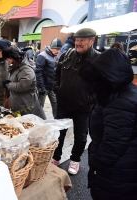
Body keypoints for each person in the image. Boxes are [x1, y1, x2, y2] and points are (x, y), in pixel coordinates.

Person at [78, 48, 137, 199]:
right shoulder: (119, 91)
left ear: (109, 76)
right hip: (121, 168)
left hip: (116, 173)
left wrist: (95, 162)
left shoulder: (121, 102)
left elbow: (113, 146)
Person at [52, 28, 100, 175]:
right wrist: (57, 89)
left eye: (82, 40)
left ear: (91, 40)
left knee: (81, 136)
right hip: (64, 103)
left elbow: (102, 86)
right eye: (77, 40)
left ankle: (75, 159)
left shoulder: (98, 60)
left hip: (83, 107)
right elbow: (57, 74)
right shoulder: (67, 54)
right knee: (59, 132)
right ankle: (56, 157)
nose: (78, 43)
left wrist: (89, 100)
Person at [2, 46, 46, 119]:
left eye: (9, 58)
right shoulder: (17, 65)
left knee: (29, 124)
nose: (8, 60)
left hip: (26, 103)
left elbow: (23, 86)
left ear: (15, 57)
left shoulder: (26, 69)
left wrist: (8, 84)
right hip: (21, 102)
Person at [35, 38, 62, 117]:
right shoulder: (42, 56)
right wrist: (41, 87)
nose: (58, 51)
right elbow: (38, 72)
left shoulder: (55, 57)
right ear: (51, 48)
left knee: (56, 104)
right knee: (40, 107)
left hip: (52, 86)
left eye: (59, 49)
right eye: (56, 49)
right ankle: (38, 122)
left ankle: (57, 120)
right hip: (43, 87)